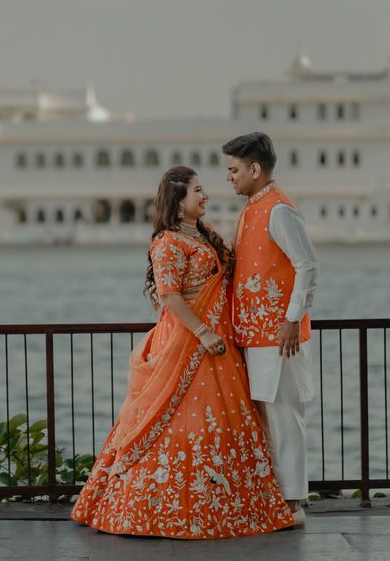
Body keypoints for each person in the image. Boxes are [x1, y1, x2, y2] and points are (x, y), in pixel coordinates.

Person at [70, 166, 294, 539]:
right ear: (177, 201)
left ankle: (226, 507)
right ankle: (155, 510)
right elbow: (171, 296)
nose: (205, 196)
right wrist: (204, 332)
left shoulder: (204, 235)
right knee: (177, 423)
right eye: (197, 190)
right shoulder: (168, 243)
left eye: (203, 189)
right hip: (189, 343)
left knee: (222, 426)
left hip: (218, 345)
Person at [222, 132, 318, 527]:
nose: (230, 177)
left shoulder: (279, 210)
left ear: (255, 169)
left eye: (234, 169)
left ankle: (293, 503)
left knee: (284, 418)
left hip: (280, 338)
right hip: (254, 336)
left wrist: (292, 320)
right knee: (264, 418)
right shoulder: (250, 210)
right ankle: (275, 499)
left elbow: (307, 265)